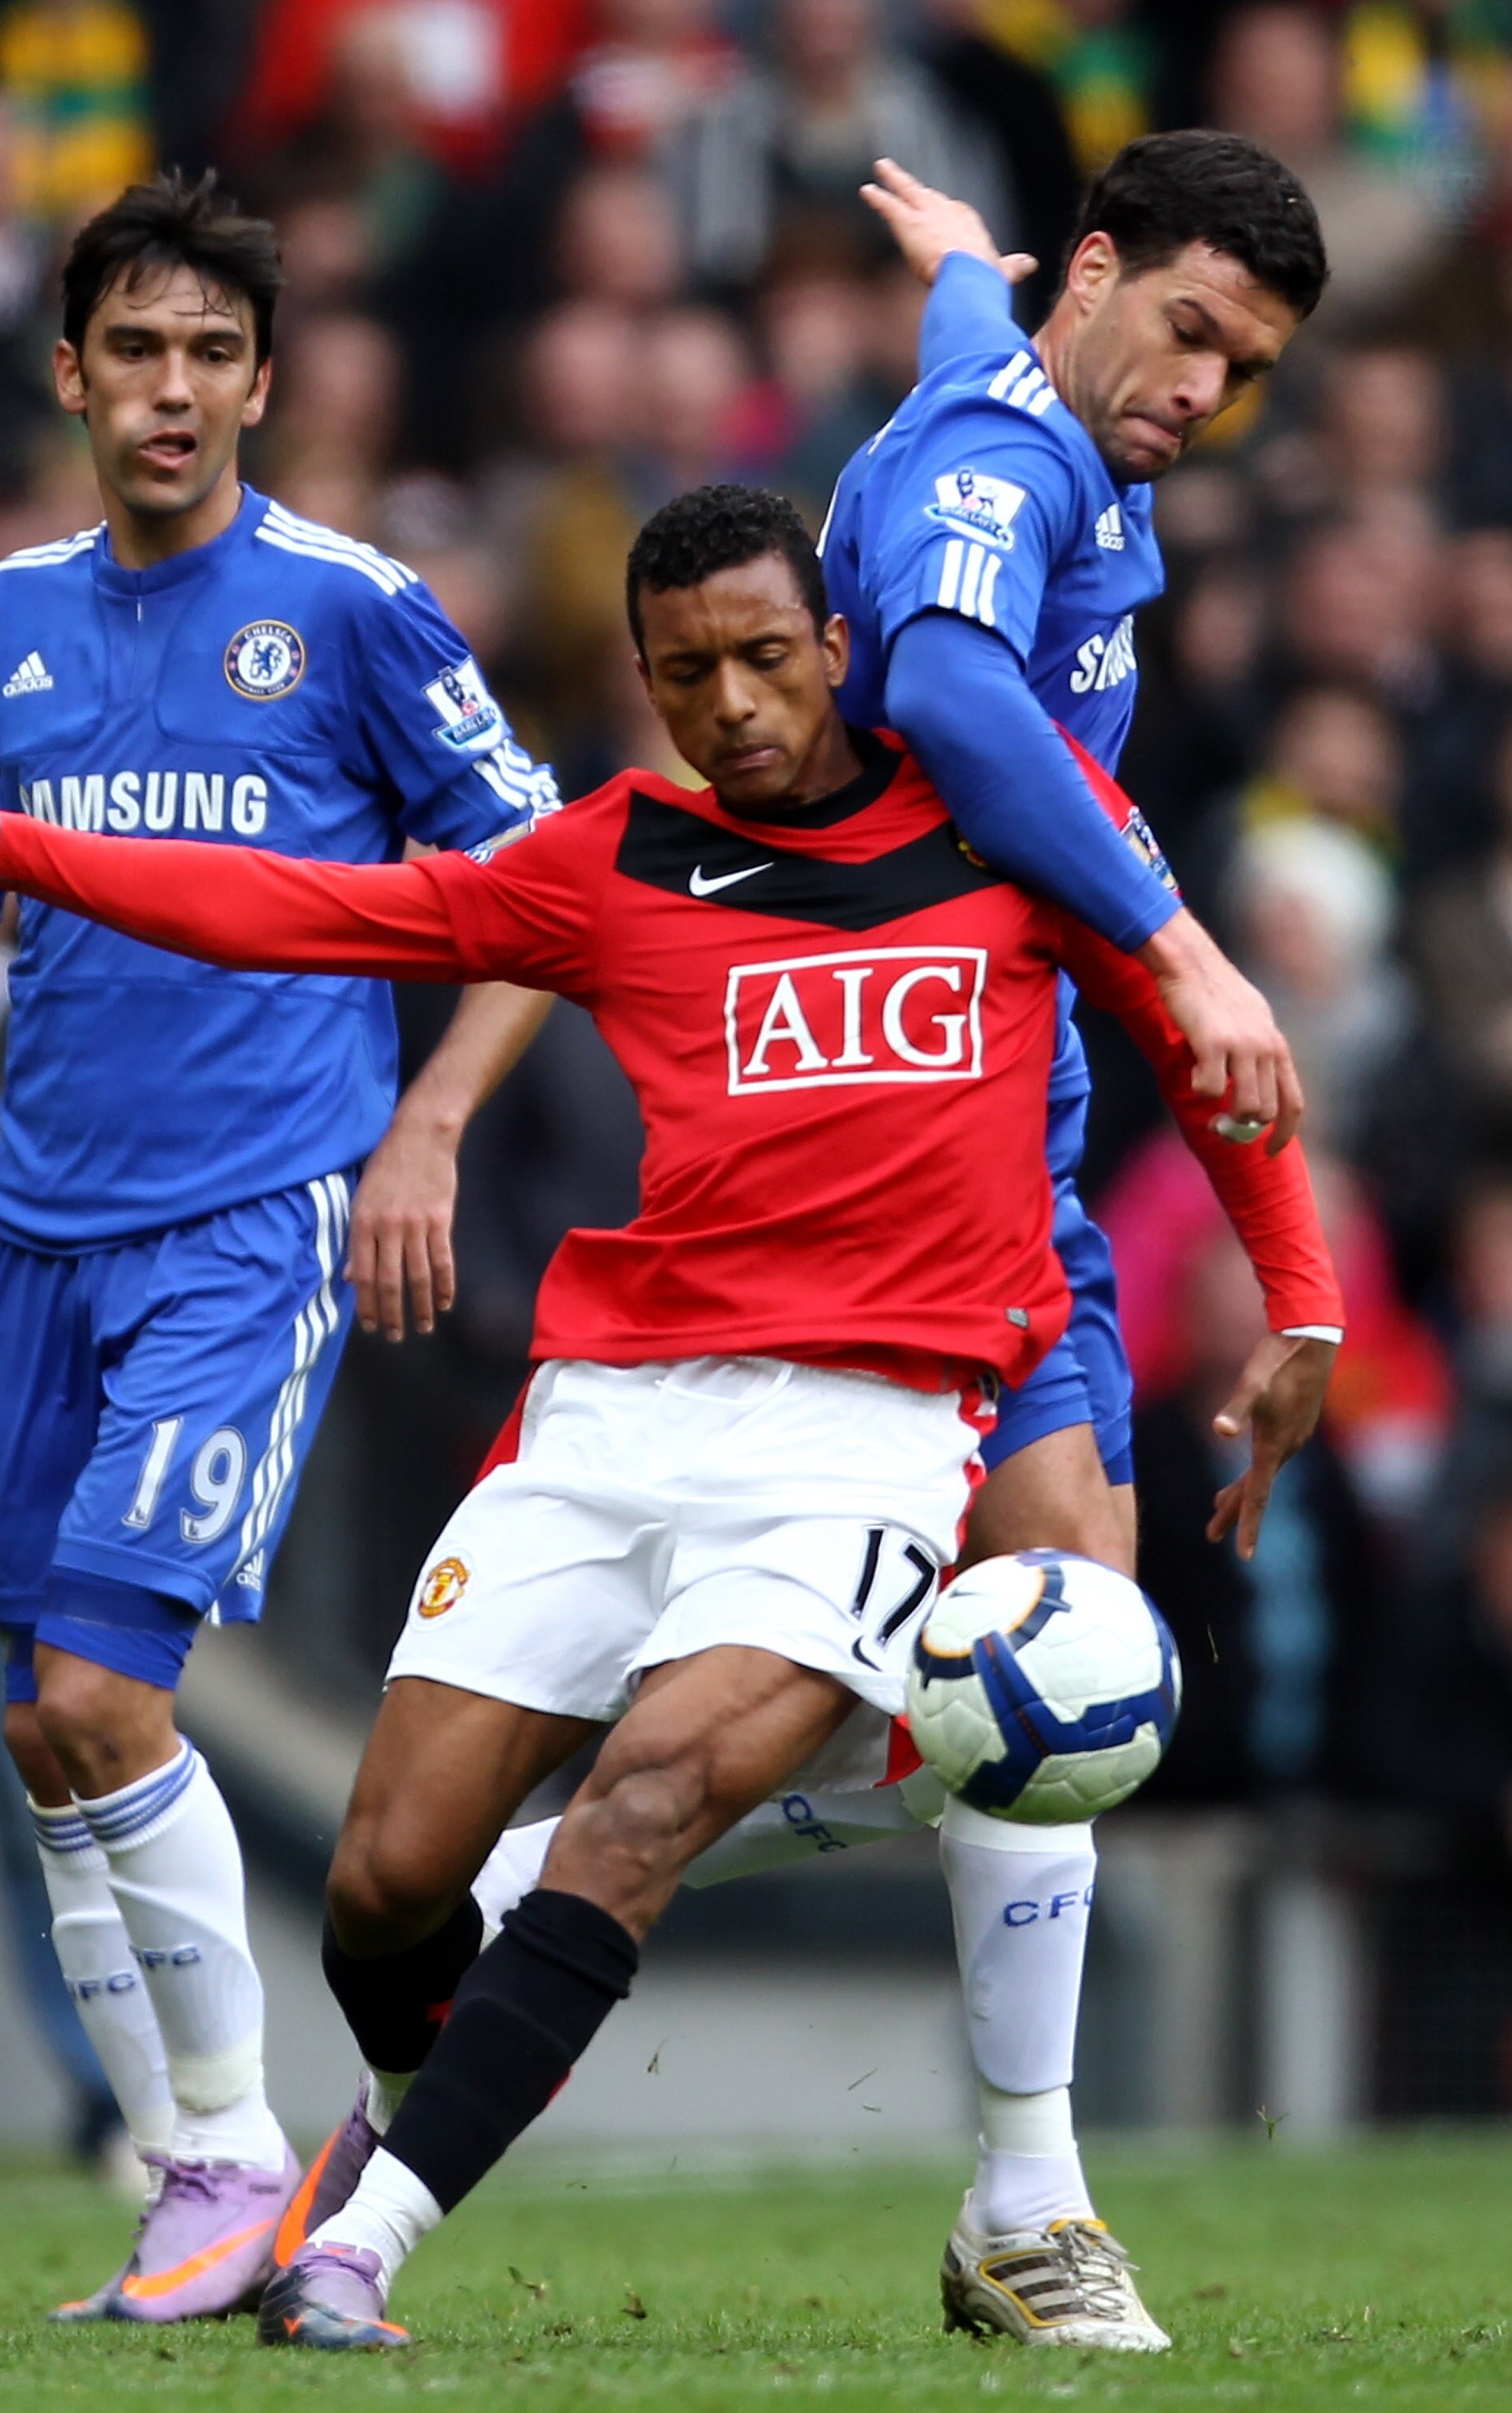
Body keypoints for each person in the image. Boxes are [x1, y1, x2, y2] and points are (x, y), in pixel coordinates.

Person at [0, 484, 1345, 2355]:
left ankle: (362, 2243)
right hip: (604, 1424)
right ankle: (527, 2016)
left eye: (766, 657)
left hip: (861, 1436)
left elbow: (1204, 1040)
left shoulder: (1002, 834)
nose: (735, 704)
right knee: (387, 1884)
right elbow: (315, 908)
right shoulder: (612, 857)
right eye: (688, 675)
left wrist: (1301, 1298)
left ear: (840, 643)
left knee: (652, 1799)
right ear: (647, 685)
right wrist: (3, 848)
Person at [0, 169, 557, 2325]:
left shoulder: (360, 610)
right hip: (40, 1235)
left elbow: (542, 887)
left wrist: (426, 1129)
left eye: (212, 354)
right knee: (41, 1727)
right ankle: (196, 2184)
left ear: (263, 382)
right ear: (73, 372)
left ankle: (228, 2160)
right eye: (135, 351)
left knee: (111, 1684)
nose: (172, 389)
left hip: (247, 1224)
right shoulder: (0, 618)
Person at [795, 131, 1341, 2319]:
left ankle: (1020, 2213)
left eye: (1247, 365)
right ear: (1097, 273)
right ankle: (528, 1897)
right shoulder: (999, 478)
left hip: (997, 1164)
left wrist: (949, 266)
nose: (1205, 386)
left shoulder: (1041, 421)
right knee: (765, 1723)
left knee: (1073, 1656)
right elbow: (936, 690)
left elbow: (975, 344)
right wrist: (1176, 937)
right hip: (836, 1150)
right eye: (1188, 328)